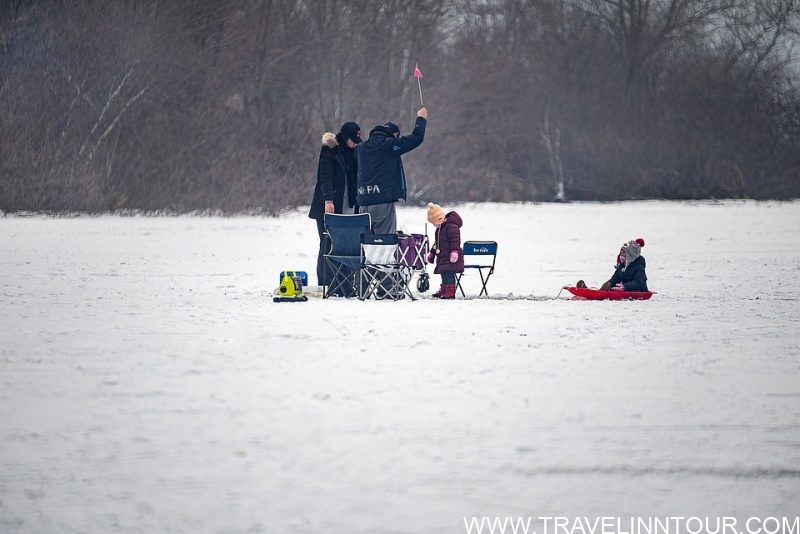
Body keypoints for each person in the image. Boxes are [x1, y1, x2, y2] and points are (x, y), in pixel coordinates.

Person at [356, 107, 428, 234]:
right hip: (382, 203)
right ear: (394, 134)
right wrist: (421, 118)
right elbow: (417, 138)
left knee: (366, 244)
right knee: (385, 245)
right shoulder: (389, 145)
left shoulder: (362, 148)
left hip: (363, 203)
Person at [308, 122, 362, 288]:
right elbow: (325, 177)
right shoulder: (329, 150)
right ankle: (326, 283)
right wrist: (328, 200)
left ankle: (344, 284)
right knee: (327, 244)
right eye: (353, 140)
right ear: (345, 138)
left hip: (348, 207)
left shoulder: (354, 153)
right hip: (328, 207)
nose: (355, 143)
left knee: (346, 245)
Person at [425, 202, 463, 299]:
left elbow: (455, 240)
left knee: (449, 273)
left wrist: (455, 251)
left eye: (434, 223)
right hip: (442, 256)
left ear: (439, 219)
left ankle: (450, 292)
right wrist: (432, 254)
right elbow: (437, 243)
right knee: (443, 273)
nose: (434, 225)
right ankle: (444, 290)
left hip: (451, 256)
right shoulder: (439, 229)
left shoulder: (452, 226)